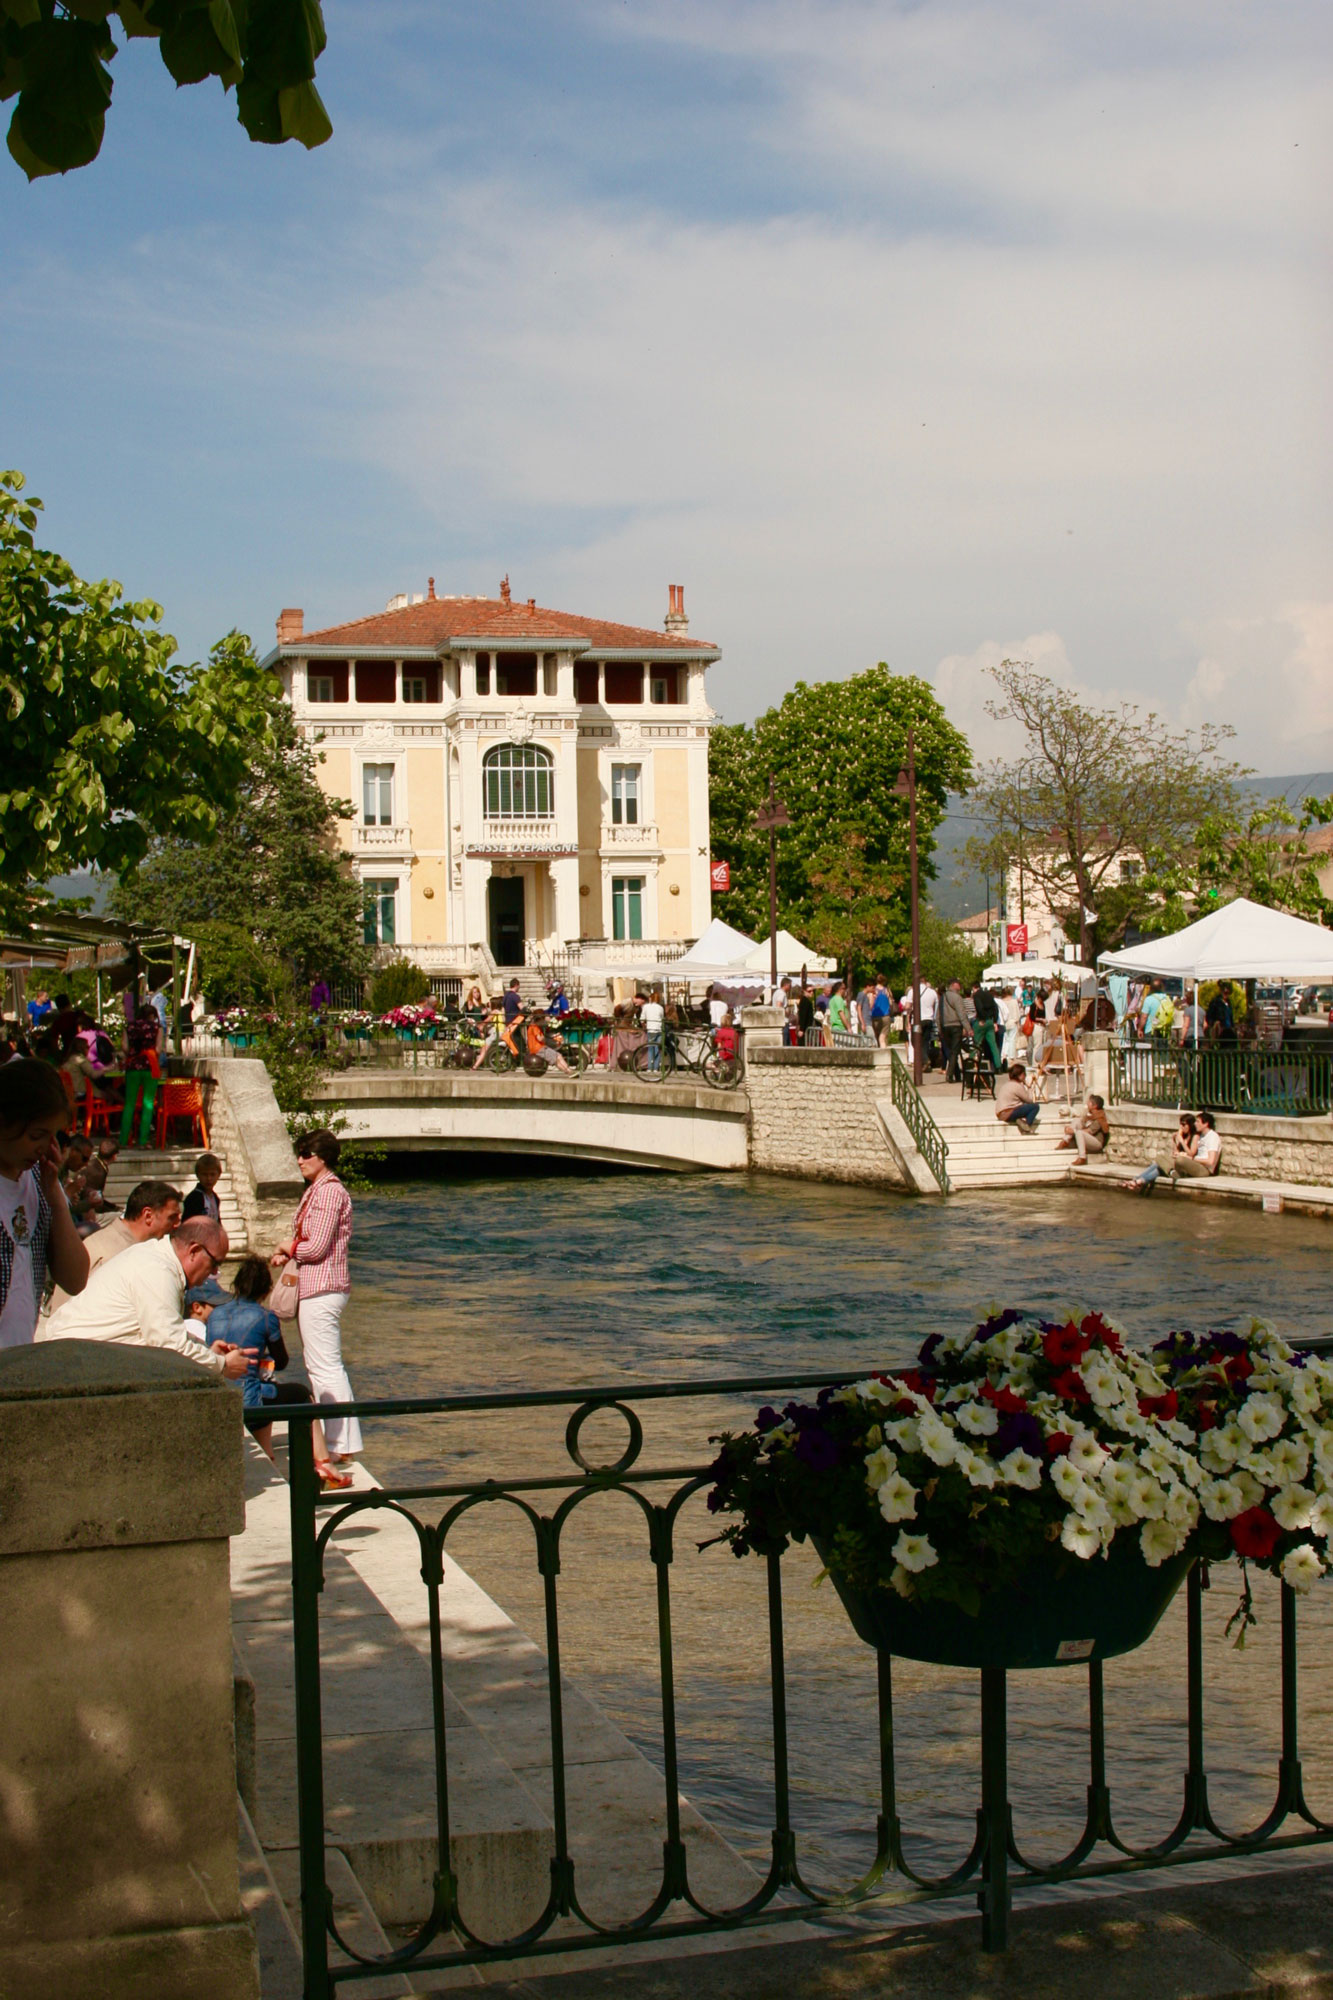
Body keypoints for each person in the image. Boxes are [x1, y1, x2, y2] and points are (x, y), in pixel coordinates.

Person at [205, 1254, 350, 1485]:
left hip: (221, 1394)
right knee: (301, 1394)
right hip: (249, 1399)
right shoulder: (266, 1317)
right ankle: (324, 1464)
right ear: (266, 1290)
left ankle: (267, 1456)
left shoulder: (215, 1314)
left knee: (265, 1388)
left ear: (237, 1285)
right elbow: (281, 1361)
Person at [44, 1216, 248, 1376]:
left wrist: (207, 1351)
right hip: (70, 1364)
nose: (213, 1274)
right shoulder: (158, 1270)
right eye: (214, 1264)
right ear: (194, 1251)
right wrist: (222, 1365)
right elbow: (168, 1346)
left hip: (79, 1359)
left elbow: (164, 1332)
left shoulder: (158, 1259)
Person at [273, 1129, 361, 1464]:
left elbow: (317, 1246)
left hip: (322, 1287)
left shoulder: (327, 1193)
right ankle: (340, 1441)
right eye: (299, 1153)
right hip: (320, 1285)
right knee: (322, 1365)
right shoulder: (320, 1190)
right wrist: (292, 1253)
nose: (299, 1159)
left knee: (324, 1366)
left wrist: (289, 1247)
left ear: (322, 1157)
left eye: (305, 1153)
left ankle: (340, 1445)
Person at [0, 1060, 89, 1348]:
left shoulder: (40, 1178)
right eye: (36, 1136)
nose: (45, 1147)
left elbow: (74, 1279)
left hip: (19, 1356)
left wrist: (55, 1197)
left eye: (53, 1135)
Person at [46, 1177, 183, 1315]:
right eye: (172, 1217)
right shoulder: (111, 1255)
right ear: (148, 1216)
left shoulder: (125, 1246)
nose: (178, 1224)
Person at [1060, 1093, 1110, 1162]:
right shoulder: (1090, 1115)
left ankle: (1082, 1157)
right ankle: (1065, 1140)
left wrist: (1073, 1131)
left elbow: (1089, 1131)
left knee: (1079, 1132)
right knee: (1077, 1120)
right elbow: (1082, 1123)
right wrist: (1069, 1128)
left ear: (1094, 1106)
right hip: (1086, 1138)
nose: (1087, 1103)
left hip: (1096, 1143)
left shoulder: (1099, 1118)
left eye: (1089, 1102)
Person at [994, 1062, 1040, 1133]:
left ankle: (1021, 1121)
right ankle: (1026, 1125)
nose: (1025, 1076)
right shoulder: (1017, 1086)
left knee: (1024, 1107)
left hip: (1000, 1114)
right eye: (1024, 1074)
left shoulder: (1007, 1084)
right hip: (1008, 1113)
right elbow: (1030, 1100)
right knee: (1035, 1107)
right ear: (1020, 1075)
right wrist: (1029, 1087)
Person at [939, 979, 970, 1082]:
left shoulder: (942, 997)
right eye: (958, 985)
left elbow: (938, 1015)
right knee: (954, 1051)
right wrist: (968, 1028)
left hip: (945, 1026)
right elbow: (962, 1014)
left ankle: (957, 1075)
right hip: (955, 1026)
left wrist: (940, 1029)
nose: (960, 987)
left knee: (952, 1051)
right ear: (954, 985)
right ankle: (950, 1074)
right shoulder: (957, 998)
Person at [1176, 1110, 1222, 1178]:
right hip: (1196, 1164)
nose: (1195, 1124)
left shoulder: (1212, 1137)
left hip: (1204, 1169)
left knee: (1180, 1160)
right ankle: (1173, 1172)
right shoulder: (1201, 1136)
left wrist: (1191, 1159)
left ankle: (1174, 1173)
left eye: (1197, 1121)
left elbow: (1210, 1161)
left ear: (1206, 1124)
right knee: (1161, 1158)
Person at [182, 1153, 223, 1223]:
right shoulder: (193, 1198)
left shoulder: (215, 1198)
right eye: (204, 1174)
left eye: (212, 1174)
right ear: (198, 1175)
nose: (209, 1178)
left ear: (218, 1175)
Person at [971, 983, 1001, 1070]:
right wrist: (994, 1021)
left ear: (974, 988)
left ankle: (970, 1061)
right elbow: (995, 1008)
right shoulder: (988, 994)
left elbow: (979, 1008)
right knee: (993, 1045)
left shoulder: (976, 996)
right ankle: (998, 1066)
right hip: (990, 1021)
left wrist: (982, 1018)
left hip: (982, 1021)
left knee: (976, 1043)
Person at [641, 990, 666, 1074]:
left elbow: (642, 1019)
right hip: (658, 1028)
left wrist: (644, 1025)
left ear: (650, 998)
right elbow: (662, 1018)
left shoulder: (646, 1007)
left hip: (650, 1029)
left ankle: (649, 1067)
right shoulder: (660, 1008)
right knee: (658, 1048)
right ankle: (656, 1067)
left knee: (651, 1048)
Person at [917, 979, 939, 1068]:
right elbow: (936, 1005)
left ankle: (925, 1059)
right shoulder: (933, 992)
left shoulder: (914, 991)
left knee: (916, 1041)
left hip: (918, 1020)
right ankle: (925, 1059)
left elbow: (908, 1005)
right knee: (926, 1041)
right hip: (929, 1019)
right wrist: (934, 1017)